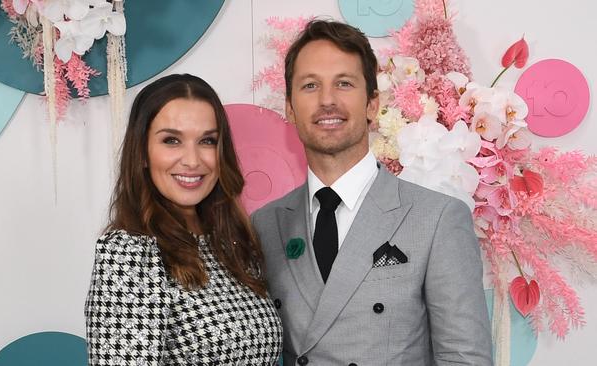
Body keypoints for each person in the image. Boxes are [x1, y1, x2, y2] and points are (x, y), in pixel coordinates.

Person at [251, 20, 492, 365]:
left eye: (344, 83)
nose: (327, 100)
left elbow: (464, 358)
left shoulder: (437, 219)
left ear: (372, 104)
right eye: (309, 86)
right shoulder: (265, 224)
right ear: (289, 108)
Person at [85, 74, 283, 365]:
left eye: (207, 141)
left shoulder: (232, 245)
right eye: (172, 140)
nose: (192, 160)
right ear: (142, 152)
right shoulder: (130, 253)